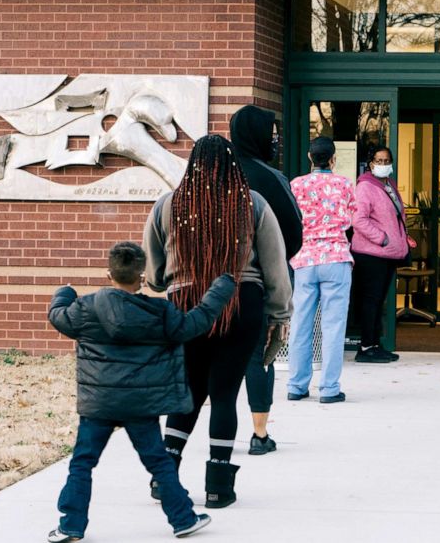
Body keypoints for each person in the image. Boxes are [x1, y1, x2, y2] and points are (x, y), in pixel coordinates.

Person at [46, 241, 235, 542]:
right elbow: (194, 324)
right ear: (142, 278)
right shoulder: (159, 311)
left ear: (108, 274)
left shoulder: (85, 308)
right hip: (140, 405)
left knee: (82, 462)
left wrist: (65, 293)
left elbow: (57, 316)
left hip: (99, 403)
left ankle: (71, 525)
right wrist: (221, 290)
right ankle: (183, 519)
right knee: (159, 461)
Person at [143, 135, 292, 509]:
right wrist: (279, 314)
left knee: (188, 392)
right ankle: (219, 486)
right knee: (224, 393)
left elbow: (155, 275)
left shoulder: (167, 205)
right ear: (233, 165)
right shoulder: (253, 204)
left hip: (187, 303)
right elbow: (275, 267)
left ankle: (165, 480)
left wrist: (169, 280)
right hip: (243, 301)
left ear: (192, 164)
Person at [229, 106, 301, 455]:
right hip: (259, 283)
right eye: (272, 133)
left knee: (209, 362)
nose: (275, 140)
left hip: (205, 285)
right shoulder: (270, 178)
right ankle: (259, 435)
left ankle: (185, 439)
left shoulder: (211, 177)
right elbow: (294, 231)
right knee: (259, 356)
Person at [286, 137, 356, 403]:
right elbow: (351, 218)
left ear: (309, 157)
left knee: (301, 324)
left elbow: (291, 218)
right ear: (333, 158)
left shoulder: (297, 185)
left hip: (305, 259)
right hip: (336, 257)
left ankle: (296, 385)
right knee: (334, 326)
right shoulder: (344, 184)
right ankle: (328, 388)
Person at [350, 144, 413, 363]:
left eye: (387, 161)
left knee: (378, 302)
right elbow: (358, 219)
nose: (383, 165)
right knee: (371, 301)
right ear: (370, 164)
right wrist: (382, 238)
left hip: (386, 254)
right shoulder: (366, 187)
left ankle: (375, 344)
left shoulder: (388, 185)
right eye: (379, 161)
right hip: (371, 254)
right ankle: (366, 347)